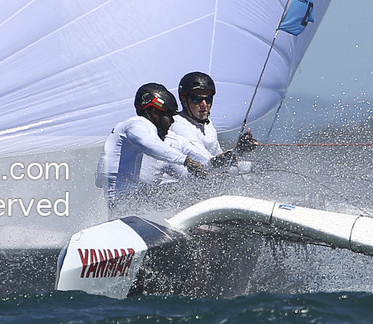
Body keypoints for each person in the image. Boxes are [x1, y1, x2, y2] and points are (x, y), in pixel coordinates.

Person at [96, 83, 206, 216]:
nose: (172, 121)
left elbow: (183, 174)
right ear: (154, 112)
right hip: (126, 201)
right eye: (169, 115)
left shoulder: (144, 130)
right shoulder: (137, 124)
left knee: (186, 187)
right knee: (179, 191)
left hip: (127, 202)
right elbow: (146, 143)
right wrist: (186, 160)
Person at [169, 71, 258, 170]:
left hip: (203, 178)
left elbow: (218, 159)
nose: (204, 104)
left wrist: (239, 150)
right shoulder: (179, 126)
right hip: (177, 183)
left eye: (208, 99)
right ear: (184, 100)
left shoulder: (206, 124)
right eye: (197, 99)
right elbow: (206, 163)